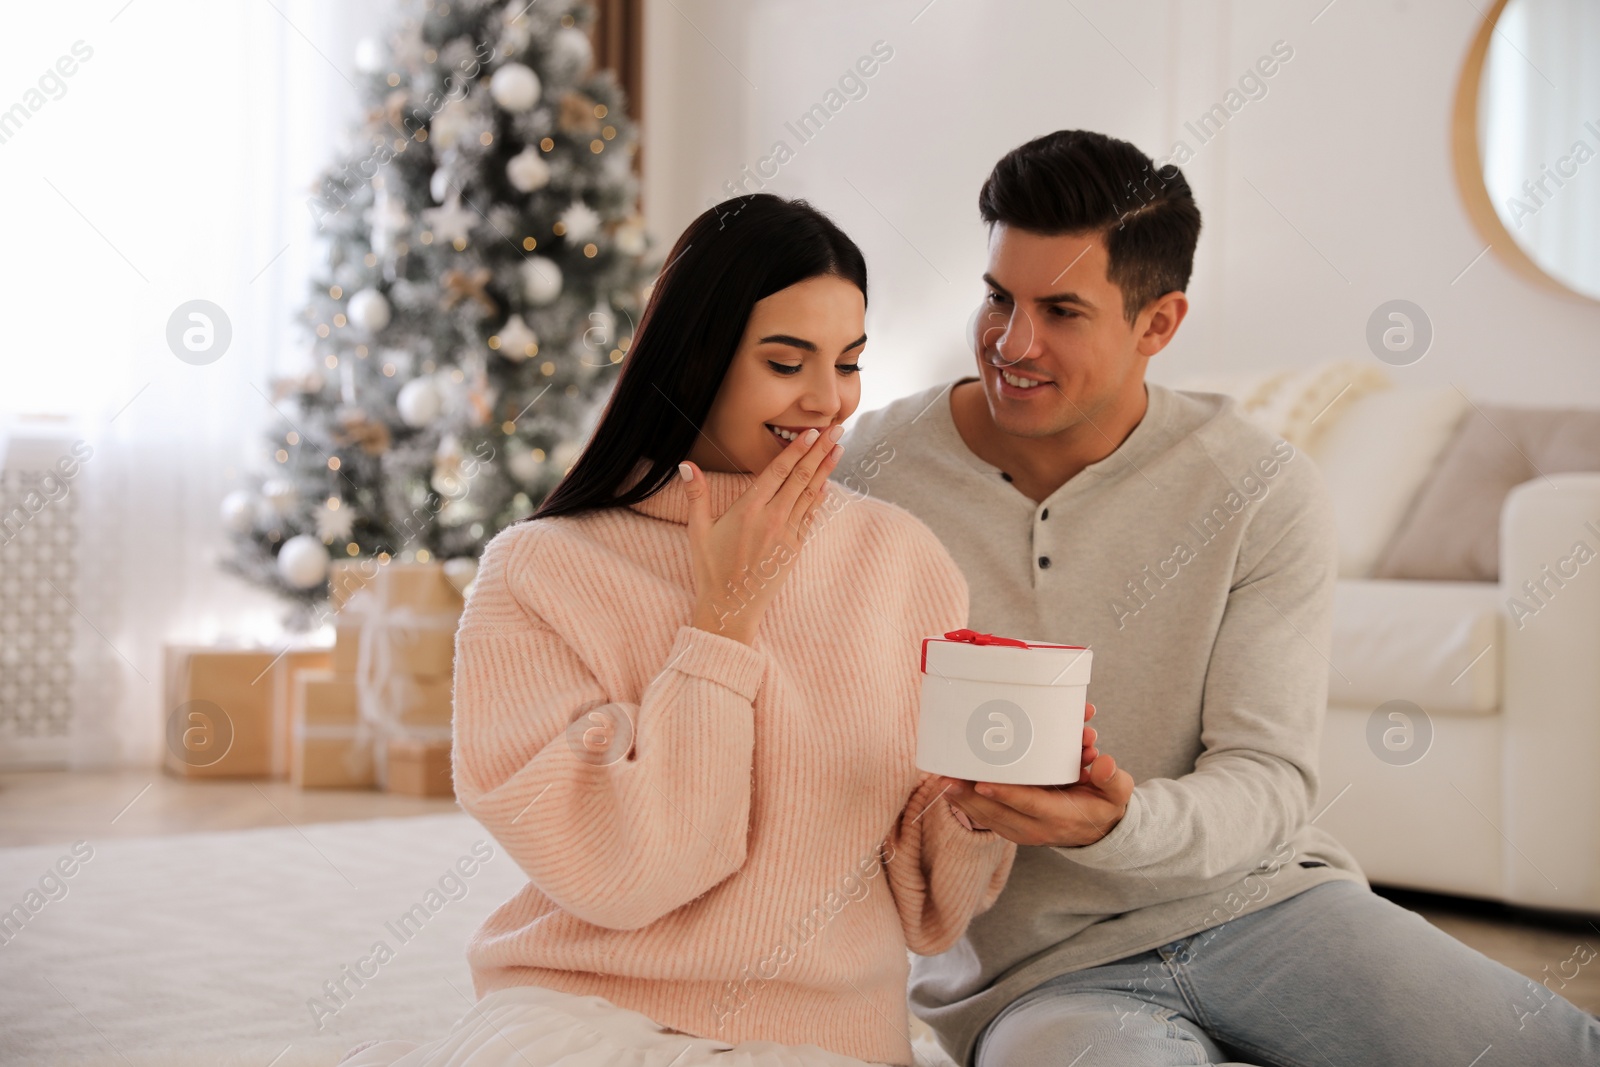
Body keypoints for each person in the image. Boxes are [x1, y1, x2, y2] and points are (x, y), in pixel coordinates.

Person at [834, 130, 1600, 1066]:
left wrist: (1116, 824)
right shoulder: (875, 468)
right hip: (1037, 973)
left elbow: (1268, 776)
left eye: (1062, 311)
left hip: (1267, 908)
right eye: (999, 297)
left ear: (1159, 324)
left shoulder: (1259, 488)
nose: (1012, 343)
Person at [339, 193, 1076, 1067]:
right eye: (783, 360)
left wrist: (986, 802)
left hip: (824, 1042)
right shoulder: (539, 572)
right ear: (696, 358)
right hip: (587, 1023)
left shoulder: (903, 559)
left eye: (847, 362)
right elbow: (628, 873)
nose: (826, 400)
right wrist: (722, 621)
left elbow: (928, 912)